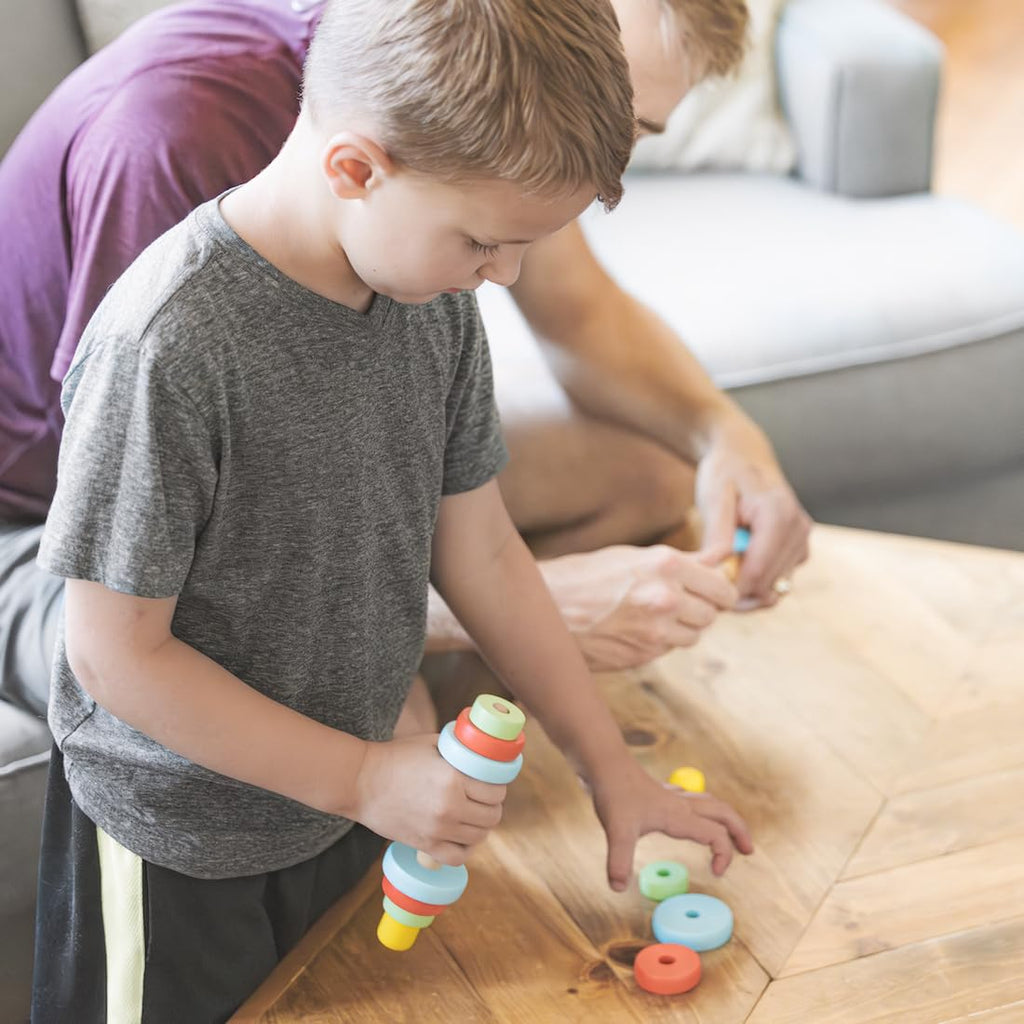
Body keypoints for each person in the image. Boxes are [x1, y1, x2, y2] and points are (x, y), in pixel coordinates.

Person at [29, 1, 753, 1019]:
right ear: (357, 169)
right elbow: (114, 656)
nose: (502, 275)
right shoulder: (167, 345)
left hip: (337, 811)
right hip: (179, 841)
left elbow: (487, 555)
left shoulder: (432, 300)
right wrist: (365, 775)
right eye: (485, 242)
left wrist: (607, 771)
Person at [0, 0, 811, 731]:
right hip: (55, 538)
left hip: (287, 480)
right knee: (393, 725)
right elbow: (155, 555)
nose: (598, 158)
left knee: (652, 471)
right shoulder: (177, 132)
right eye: (605, 112)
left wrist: (725, 437)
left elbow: (582, 313)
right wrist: (519, 610)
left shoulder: (500, 118)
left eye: (626, 134)